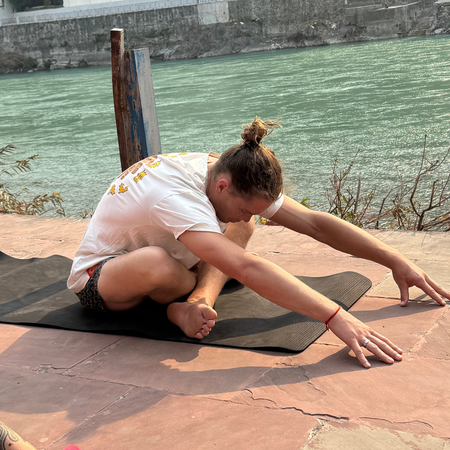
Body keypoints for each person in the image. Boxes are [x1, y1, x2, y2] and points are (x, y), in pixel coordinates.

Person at [68, 117, 449, 369]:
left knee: (240, 227)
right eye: (243, 207)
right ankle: (189, 299)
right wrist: (335, 316)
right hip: (103, 279)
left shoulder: (230, 170)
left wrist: (395, 259)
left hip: (176, 260)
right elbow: (246, 267)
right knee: (158, 261)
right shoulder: (174, 196)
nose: (245, 217)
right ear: (222, 186)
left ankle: (198, 302)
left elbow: (314, 223)